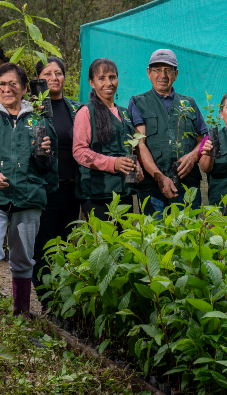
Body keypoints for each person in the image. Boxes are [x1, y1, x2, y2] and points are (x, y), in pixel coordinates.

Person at [0, 63, 57, 319]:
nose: (7, 89)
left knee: (24, 256)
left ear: (25, 88)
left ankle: (22, 312)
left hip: (28, 196)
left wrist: (44, 153)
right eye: (1, 84)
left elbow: (47, 165)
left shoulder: (37, 119)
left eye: (13, 84)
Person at [128, 49, 207, 216]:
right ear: (149, 73)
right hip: (152, 186)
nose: (162, 75)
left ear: (176, 74)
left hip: (187, 186)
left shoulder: (189, 103)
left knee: (188, 235)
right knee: (155, 238)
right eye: (157, 69)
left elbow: (203, 138)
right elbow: (139, 144)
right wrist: (160, 177)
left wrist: (193, 156)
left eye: (168, 70)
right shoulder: (138, 102)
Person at [31, 56, 82, 307]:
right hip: (45, 188)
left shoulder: (77, 109)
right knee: (42, 246)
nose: (54, 78)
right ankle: (46, 300)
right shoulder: (32, 109)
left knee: (64, 245)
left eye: (58, 73)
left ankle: (63, 299)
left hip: (72, 188)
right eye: (47, 74)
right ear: (38, 79)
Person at [73, 58, 144, 221]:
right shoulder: (86, 112)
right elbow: (79, 151)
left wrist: (137, 166)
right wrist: (113, 163)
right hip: (97, 194)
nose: (108, 83)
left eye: (112, 77)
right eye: (102, 78)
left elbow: (129, 148)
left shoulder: (124, 113)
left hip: (123, 191)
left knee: (122, 244)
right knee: (103, 243)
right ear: (92, 82)